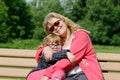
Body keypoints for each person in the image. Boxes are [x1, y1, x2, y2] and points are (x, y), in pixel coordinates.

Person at [27, 12, 104, 80]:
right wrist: (45, 49)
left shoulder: (80, 35)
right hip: (66, 77)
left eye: (56, 23)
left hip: (83, 74)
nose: (56, 28)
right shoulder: (58, 42)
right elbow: (38, 56)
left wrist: (48, 73)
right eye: (52, 28)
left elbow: (71, 59)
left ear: (63, 20)